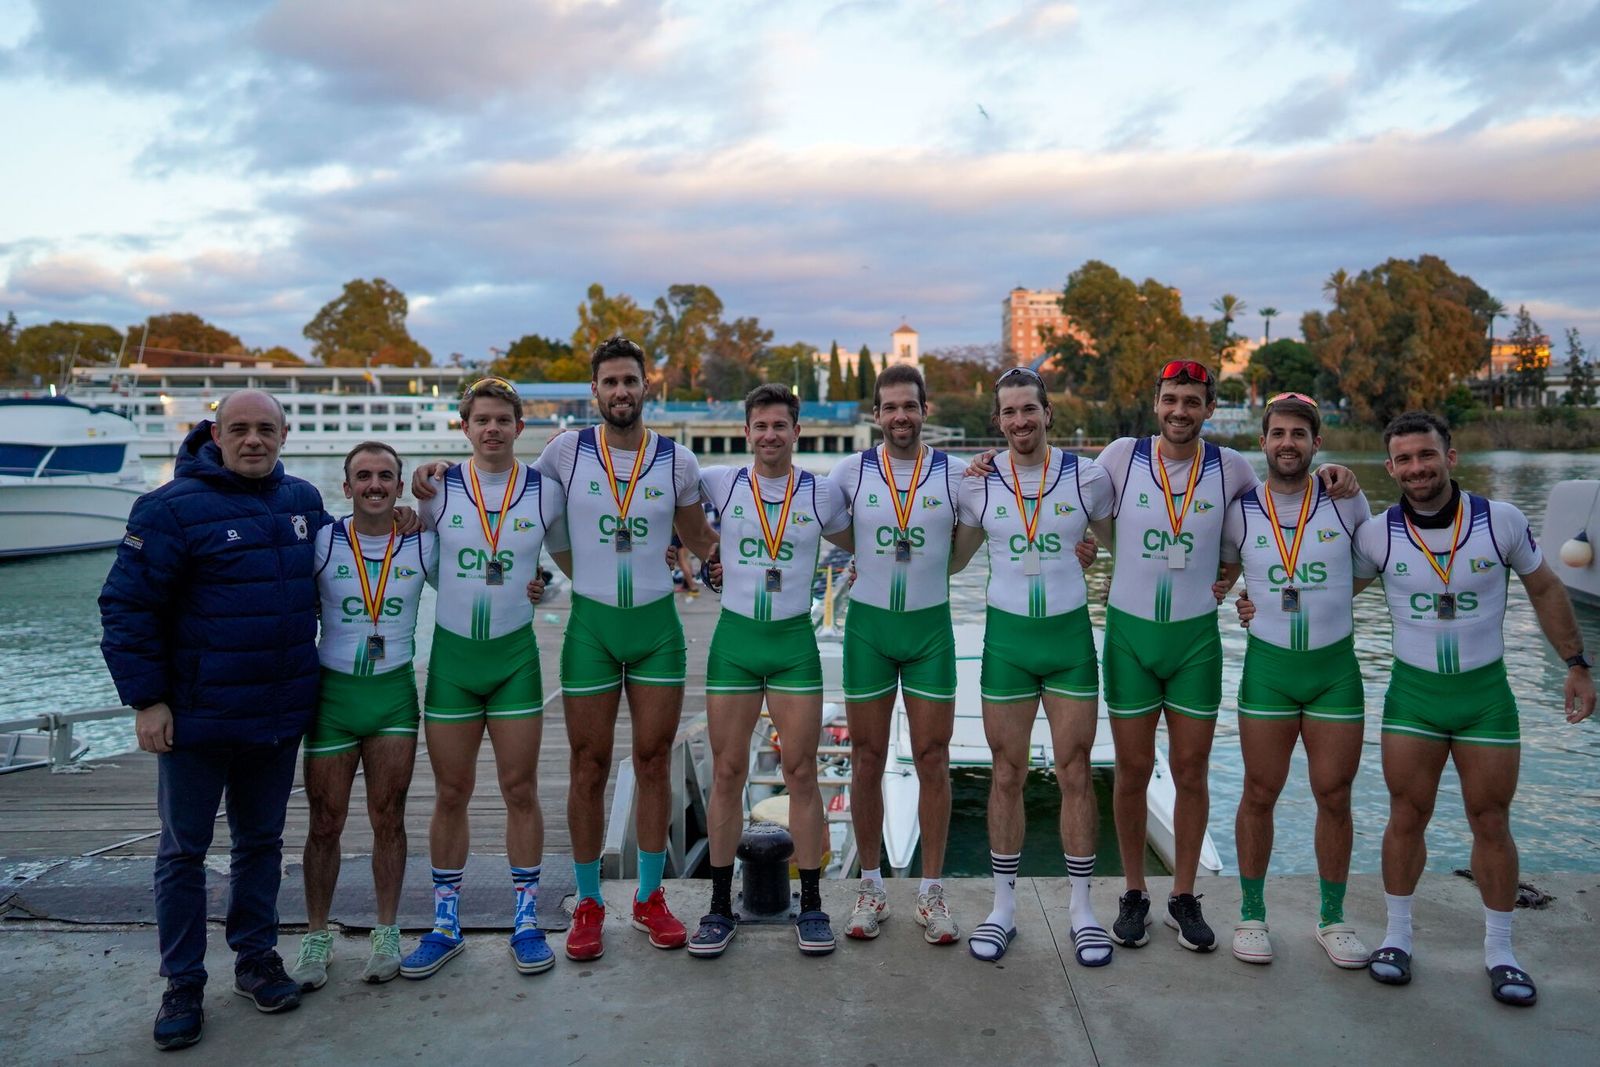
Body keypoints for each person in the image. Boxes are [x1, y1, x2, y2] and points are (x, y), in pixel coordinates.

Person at [1091, 361, 1357, 953]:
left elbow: (1263, 523)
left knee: (1191, 772)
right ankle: (1134, 892)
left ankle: (1183, 895)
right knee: (1132, 771)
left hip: (1195, 643)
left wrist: (1236, 584)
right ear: (1155, 403)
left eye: (1191, 401)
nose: (1179, 410)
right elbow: (1075, 507)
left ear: (1209, 409)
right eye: (1170, 399)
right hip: (1130, 636)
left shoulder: (1231, 467)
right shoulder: (1119, 457)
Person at [100, 390, 326, 1050]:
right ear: (215, 434)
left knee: (261, 844)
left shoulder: (303, 503)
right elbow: (126, 608)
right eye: (239, 429)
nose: (253, 439)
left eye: (265, 428)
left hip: (276, 712)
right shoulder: (169, 508)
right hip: (195, 717)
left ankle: (255, 959)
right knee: (183, 852)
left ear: (284, 433)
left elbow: (341, 571)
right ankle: (183, 979)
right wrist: (147, 699)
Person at [1353, 411, 1594, 1005]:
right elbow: (1328, 590)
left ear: (1450, 457)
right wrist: (1256, 603)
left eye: (1426, 455)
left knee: (1491, 821)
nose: (1417, 468)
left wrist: (1576, 665)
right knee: (1406, 816)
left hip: (1486, 701)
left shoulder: (1501, 520)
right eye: (1404, 459)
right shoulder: (1377, 533)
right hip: (1413, 699)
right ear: (1390, 469)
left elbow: (1544, 588)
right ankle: (1397, 938)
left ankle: (1500, 951)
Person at [537, 337, 718, 959]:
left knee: (651, 760)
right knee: (587, 766)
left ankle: (647, 898)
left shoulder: (677, 461)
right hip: (590, 626)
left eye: (630, 382)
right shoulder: (565, 451)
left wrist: (769, 542)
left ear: (648, 388)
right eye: (609, 382)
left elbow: (702, 539)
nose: (620, 392)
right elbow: (516, 508)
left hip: (657, 633)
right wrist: (432, 486)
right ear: (595, 391)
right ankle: (588, 903)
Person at [949, 367, 1115, 966]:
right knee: (1006, 773)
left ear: (1048, 414)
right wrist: (874, 558)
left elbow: (1123, 540)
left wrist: (1095, 553)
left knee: (1075, 772)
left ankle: (1082, 910)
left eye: (1029, 410)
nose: (1020, 421)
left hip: (1069, 644)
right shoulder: (977, 484)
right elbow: (951, 563)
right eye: (1009, 412)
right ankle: (1003, 908)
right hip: (1008, 648)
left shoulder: (1087, 477)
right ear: (997, 421)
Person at [400, 378, 565, 980]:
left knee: (520, 790)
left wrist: (546, 584)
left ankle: (526, 919)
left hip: (514, 659)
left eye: (503, 419)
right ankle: (445, 924)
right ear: (464, 428)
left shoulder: (546, 492)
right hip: (453, 661)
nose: (492, 429)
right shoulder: (436, 490)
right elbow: (422, 561)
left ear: (520, 428)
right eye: (481, 420)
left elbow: (563, 565)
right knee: (451, 793)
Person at [688, 383, 853, 958]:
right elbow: (654, 496)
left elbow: (872, 535)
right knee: (729, 772)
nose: (769, 435)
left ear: (796, 432)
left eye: (780, 425)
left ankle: (810, 905)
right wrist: (695, 558)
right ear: (747, 432)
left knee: (801, 772)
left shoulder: (822, 492)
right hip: (735, 641)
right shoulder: (719, 481)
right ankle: (716, 908)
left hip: (792, 644)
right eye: (760, 426)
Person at [1214, 394, 1373, 968]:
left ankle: (1332, 919)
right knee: (1260, 792)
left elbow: (1365, 572)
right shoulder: (1240, 509)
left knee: (1334, 795)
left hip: (1334, 673)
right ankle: (1251, 915)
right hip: (1269, 672)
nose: (1288, 443)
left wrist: (1317, 607)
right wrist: (1247, 605)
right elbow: (1223, 576)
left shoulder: (1346, 500)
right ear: (1262, 442)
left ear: (1315, 442)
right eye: (1277, 433)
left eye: (1299, 434)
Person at [286, 442, 437, 990]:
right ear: (345, 488)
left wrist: (535, 586)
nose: (375, 485)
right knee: (324, 823)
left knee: (388, 819)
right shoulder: (323, 542)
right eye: (363, 476)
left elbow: (481, 583)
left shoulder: (423, 543)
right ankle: (317, 935)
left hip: (393, 696)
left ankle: (387, 930)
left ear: (399, 486)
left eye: (386, 476)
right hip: (332, 700)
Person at [828, 363, 965, 945]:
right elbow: (818, 525)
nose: (900, 416)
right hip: (868, 631)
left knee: (933, 758)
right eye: (889, 407)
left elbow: (1007, 522)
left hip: (930, 631)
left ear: (925, 409)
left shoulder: (959, 475)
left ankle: (932, 894)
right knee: (866, 756)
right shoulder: (847, 472)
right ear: (876, 414)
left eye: (910, 405)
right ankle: (871, 886)